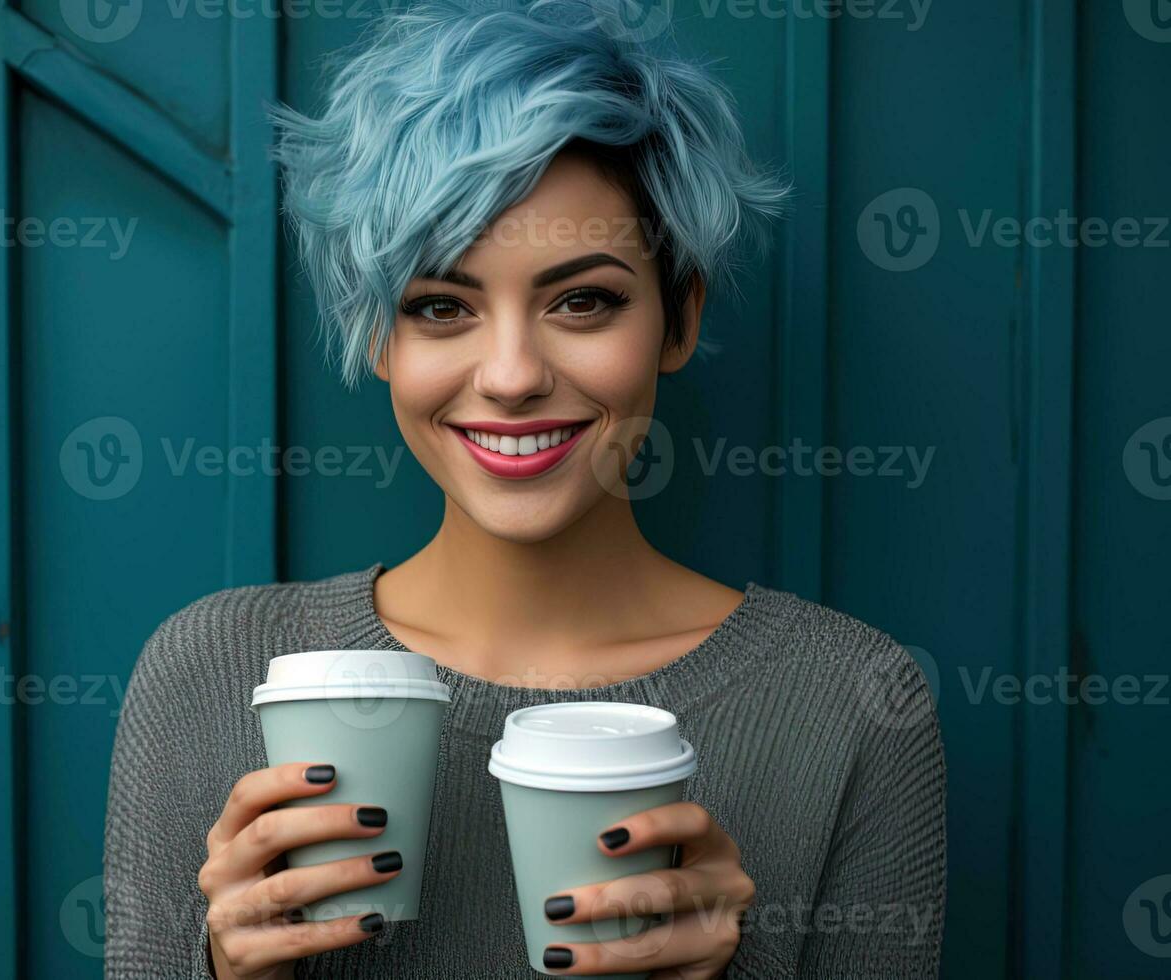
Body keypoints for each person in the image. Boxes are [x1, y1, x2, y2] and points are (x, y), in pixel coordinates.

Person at [104, 1, 946, 976]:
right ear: (381, 335)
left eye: (582, 299)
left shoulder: (852, 703)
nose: (510, 375)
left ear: (677, 320)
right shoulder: (211, 674)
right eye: (441, 305)